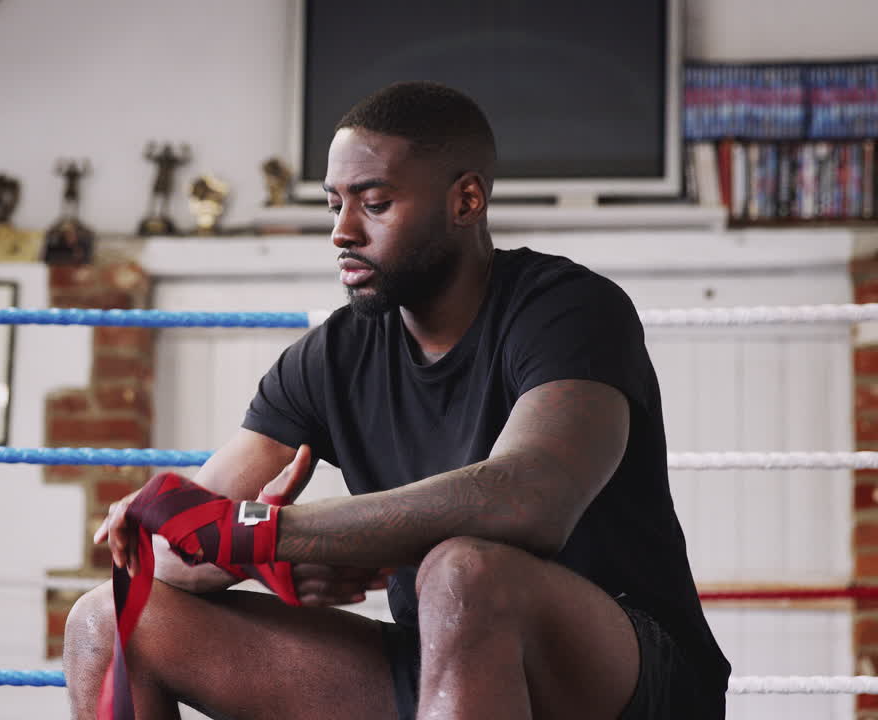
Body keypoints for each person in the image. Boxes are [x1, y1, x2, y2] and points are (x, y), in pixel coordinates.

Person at [64, 81, 730, 719]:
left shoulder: (565, 310)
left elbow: (529, 500)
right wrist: (269, 561)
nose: (342, 232)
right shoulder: (334, 355)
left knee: (465, 573)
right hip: (442, 663)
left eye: (374, 203)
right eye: (334, 205)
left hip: (628, 674)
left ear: (466, 200)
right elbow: (167, 547)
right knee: (104, 621)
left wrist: (275, 534)